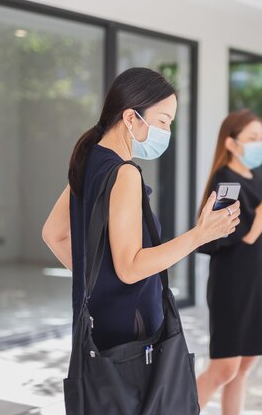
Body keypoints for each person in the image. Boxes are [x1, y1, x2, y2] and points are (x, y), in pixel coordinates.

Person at [42, 67, 239, 353]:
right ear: (131, 117)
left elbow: (54, 234)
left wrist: (100, 283)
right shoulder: (124, 174)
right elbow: (131, 267)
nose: (167, 132)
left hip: (100, 326)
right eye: (163, 121)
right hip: (132, 336)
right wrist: (200, 235)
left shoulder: (89, 161)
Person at [196, 109, 262, 415]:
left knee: (244, 365)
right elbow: (247, 235)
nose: (259, 144)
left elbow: (257, 228)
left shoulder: (253, 178)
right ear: (230, 143)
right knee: (224, 368)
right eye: (252, 138)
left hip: (255, 281)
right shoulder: (225, 181)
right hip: (232, 284)